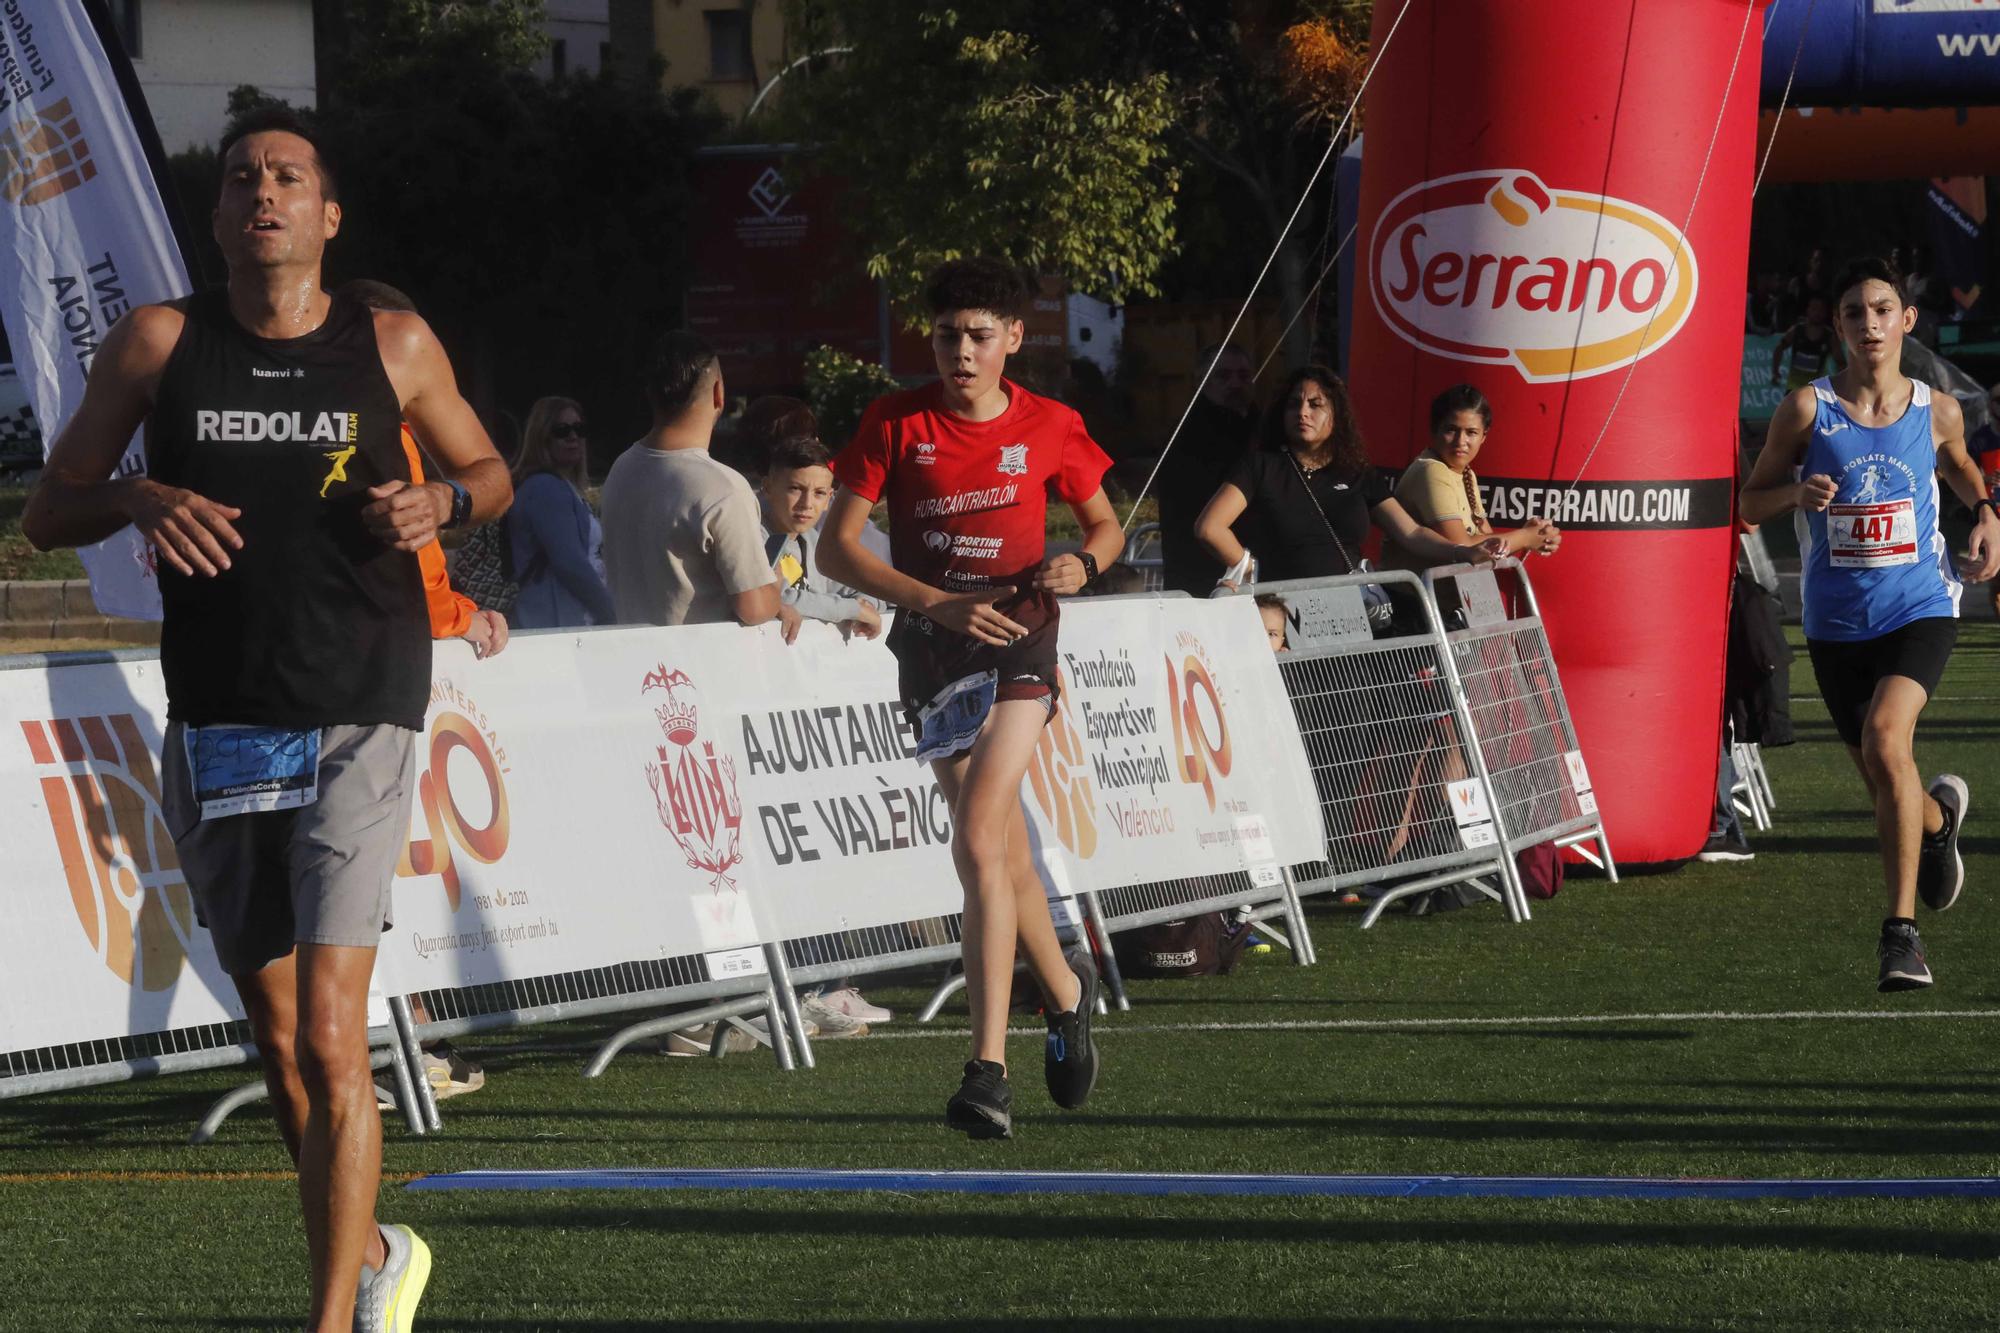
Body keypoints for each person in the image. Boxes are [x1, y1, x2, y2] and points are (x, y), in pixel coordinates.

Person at [21, 106, 510, 1331]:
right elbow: (48, 509)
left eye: (289, 177)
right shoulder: (159, 342)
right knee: (283, 1042)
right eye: (243, 178)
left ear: (328, 214)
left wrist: (442, 501)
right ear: (219, 212)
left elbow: (495, 476)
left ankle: (330, 1320)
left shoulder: (390, 342)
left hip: (363, 702)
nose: (264, 194)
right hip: (223, 709)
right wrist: (134, 492)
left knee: (337, 1033)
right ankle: (378, 1250)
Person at [818, 257, 1122, 1139]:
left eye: (981, 335)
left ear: (1014, 340)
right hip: (933, 643)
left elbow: (1103, 524)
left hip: (1023, 637)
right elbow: (837, 550)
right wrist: (933, 601)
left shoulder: (1051, 423)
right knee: (996, 853)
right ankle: (1066, 992)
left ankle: (986, 1072)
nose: (961, 351)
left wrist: (1087, 561)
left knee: (980, 832)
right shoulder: (894, 421)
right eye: (948, 334)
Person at [1741, 255, 2000, 992]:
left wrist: (1987, 514)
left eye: (1882, 309)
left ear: (1906, 320)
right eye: (1854, 312)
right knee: (1887, 781)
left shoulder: (1936, 406)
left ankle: (1901, 936)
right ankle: (1941, 820)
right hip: (1834, 622)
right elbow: (1747, 505)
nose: (1869, 323)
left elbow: (1959, 466)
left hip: (1921, 605)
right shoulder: (1806, 409)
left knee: (1889, 741)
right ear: (1841, 327)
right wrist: (1794, 492)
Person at [1193, 365, 1500, 588]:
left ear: (1337, 415)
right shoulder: (1260, 466)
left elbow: (1412, 533)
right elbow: (1210, 528)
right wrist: (1251, 574)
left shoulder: (1357, 472)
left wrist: (1462, 552)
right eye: (1293, 404)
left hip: (1350, 614)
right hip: (1279, 614)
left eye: (1315, 405)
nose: (1302, 412)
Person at [599, 332, 784, 632]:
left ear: (650, 394)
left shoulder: (621, 468)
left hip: (634, 663)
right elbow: (754, 607)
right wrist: (775, 587)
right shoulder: (724, 488)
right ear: (719, 394)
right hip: (698, 669)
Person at [1387, 383, 1561, 568]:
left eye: (1471, 432)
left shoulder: (1466, 473)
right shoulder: (1430, 470)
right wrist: (1526, 537)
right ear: (1434, 430)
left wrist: (1531, 534)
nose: (1461, 441)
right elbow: (1464, 548)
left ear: (1484, 437)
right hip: (1413, 595)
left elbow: (1485, 543)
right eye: (1451, 430)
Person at [758, 433, 882, 642]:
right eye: (795, 489)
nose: (806, 503)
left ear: (829, 499)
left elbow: (863, 589)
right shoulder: (754, 536)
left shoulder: (813, 541)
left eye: (819, 493)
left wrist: (864, 603)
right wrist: (852, 609)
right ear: (768, 488)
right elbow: (773, 597)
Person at [1157, 342, 1259, 595]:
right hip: (1200, 575)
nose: (1235, 383)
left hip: (1246, 569)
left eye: (1243, 376)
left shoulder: (1260, 425)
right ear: (1202, 380)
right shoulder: (1187, 433)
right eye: (1223, 376)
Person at [509, 396, 616, 628]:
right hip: (554, 620)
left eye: (579, 429)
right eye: (561, 430)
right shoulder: (546, 488)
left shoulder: (565, 487)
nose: (573, 437)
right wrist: (609, 612)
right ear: (542, 437)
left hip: (565, 618)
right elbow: (570, 563)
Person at [1770, 296, 1840, 395]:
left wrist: (1840, 384)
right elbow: (1779, 348)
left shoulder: (1829, 336)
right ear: (1808, 310)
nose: (1817, 313)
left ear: (1825, 313)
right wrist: (1775, 372)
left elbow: (1840, 362)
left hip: (1815, 391)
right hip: (1793, 389)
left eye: (1821, 310)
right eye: (1814, 308)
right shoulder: (1797, 330)